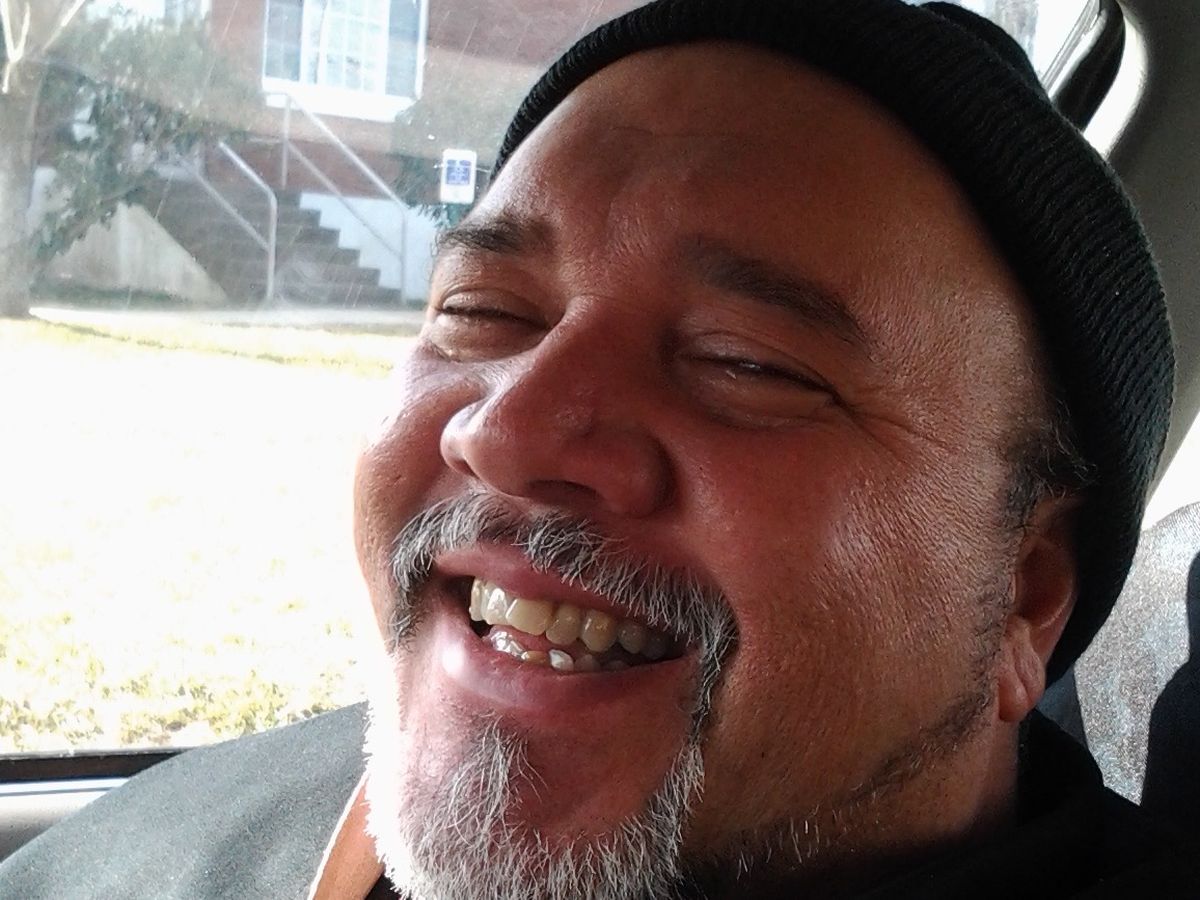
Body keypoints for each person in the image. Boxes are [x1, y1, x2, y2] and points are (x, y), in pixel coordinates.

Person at [0, 0, 1191, 897]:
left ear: (1024, 593)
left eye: (749, 364)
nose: (504, 430)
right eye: (483, 312)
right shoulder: (147, 854)